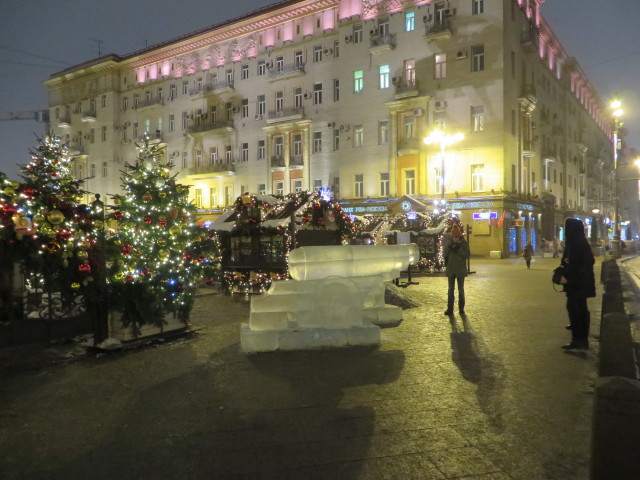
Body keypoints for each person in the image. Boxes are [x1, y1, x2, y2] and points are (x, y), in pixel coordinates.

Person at [559, 218, 596, 350]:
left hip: (577, 283)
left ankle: (579, 340)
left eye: (567, 228)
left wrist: (569, 277)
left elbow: (583, 263)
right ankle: (581, 338)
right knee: (579, 308)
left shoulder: (576, 242)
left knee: (576, 309)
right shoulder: (579, 241)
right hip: (580, 283)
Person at [443, 224, 470, 316]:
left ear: (459, 236)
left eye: (457, 237)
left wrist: (459, 249)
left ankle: (461, 309)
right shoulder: (449, 243)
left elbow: (466, 255)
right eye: (454, 237)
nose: (455, 239)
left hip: (460, 270)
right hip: (451, 270)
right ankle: (450, 309)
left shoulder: (464, 243)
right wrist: (449, 247)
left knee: (460, 290)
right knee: (450, 290)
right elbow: (445, 254)